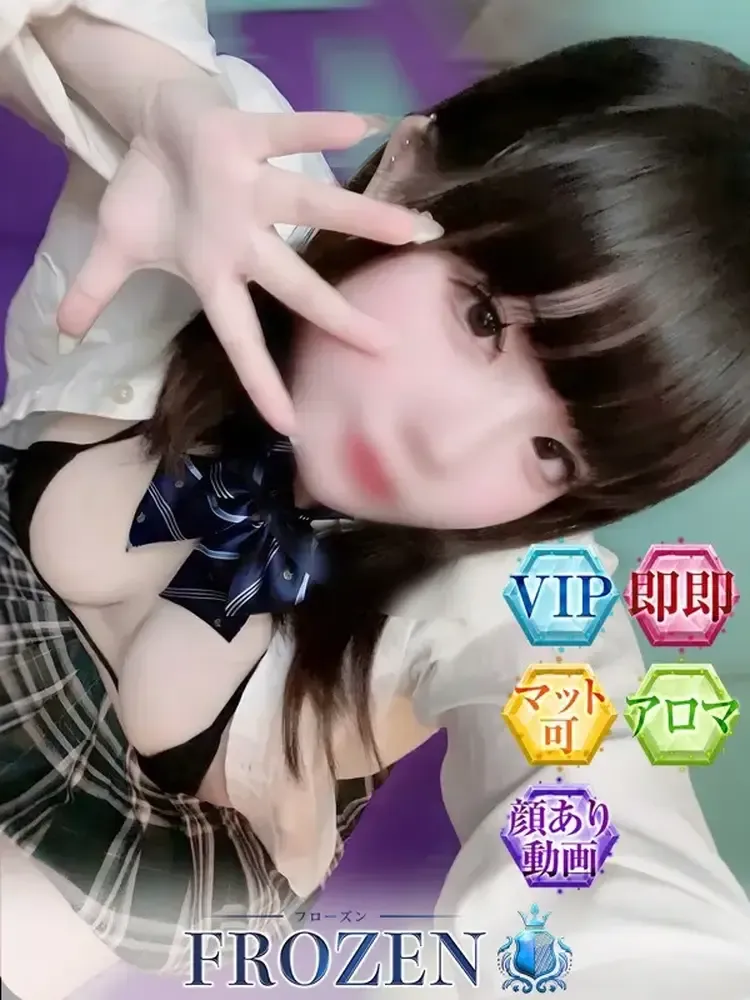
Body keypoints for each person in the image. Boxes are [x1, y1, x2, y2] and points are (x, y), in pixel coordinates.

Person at [1, 6, 750, 1000]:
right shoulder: (244, 184)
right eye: (482, 318)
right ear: (407, 172)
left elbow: (612, 834)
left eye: (552, 453)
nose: (447, 445)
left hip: (104, 898)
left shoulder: (513, 597)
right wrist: (161, 98)